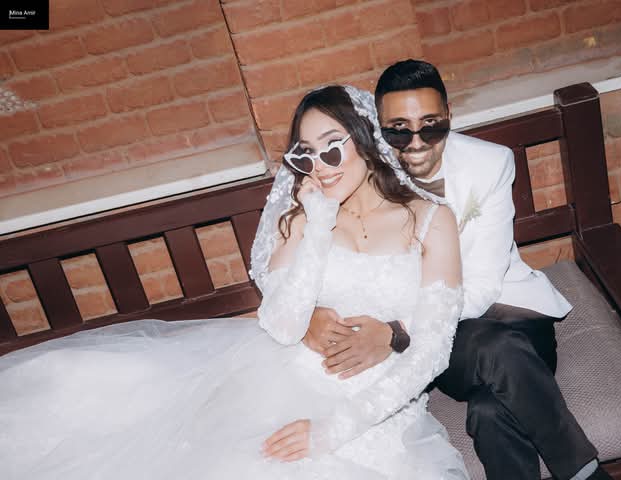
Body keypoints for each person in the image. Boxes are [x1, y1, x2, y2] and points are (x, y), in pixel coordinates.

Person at [0, 85, 468, 480]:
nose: (320, 166)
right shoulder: (304, 218)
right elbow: (283, 326)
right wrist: (319, 224)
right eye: (306, 154)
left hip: (376, 398)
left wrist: (334, 429)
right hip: (288, 376)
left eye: (331, 147)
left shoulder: (430, 220)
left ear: (365, 140)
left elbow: (433, 350)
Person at [303, 61, 612, 480]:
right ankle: (587, 473)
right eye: (398, 130)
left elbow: (482, 287)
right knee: (496, 351)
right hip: (445, 344)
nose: (416, 144)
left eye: (430, 127)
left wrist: (394, 330)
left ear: (449, 115)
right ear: (378, 127)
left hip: (512, 315)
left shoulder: (490, 163)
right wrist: (313, 315)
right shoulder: (362, 177)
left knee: (489, 411)